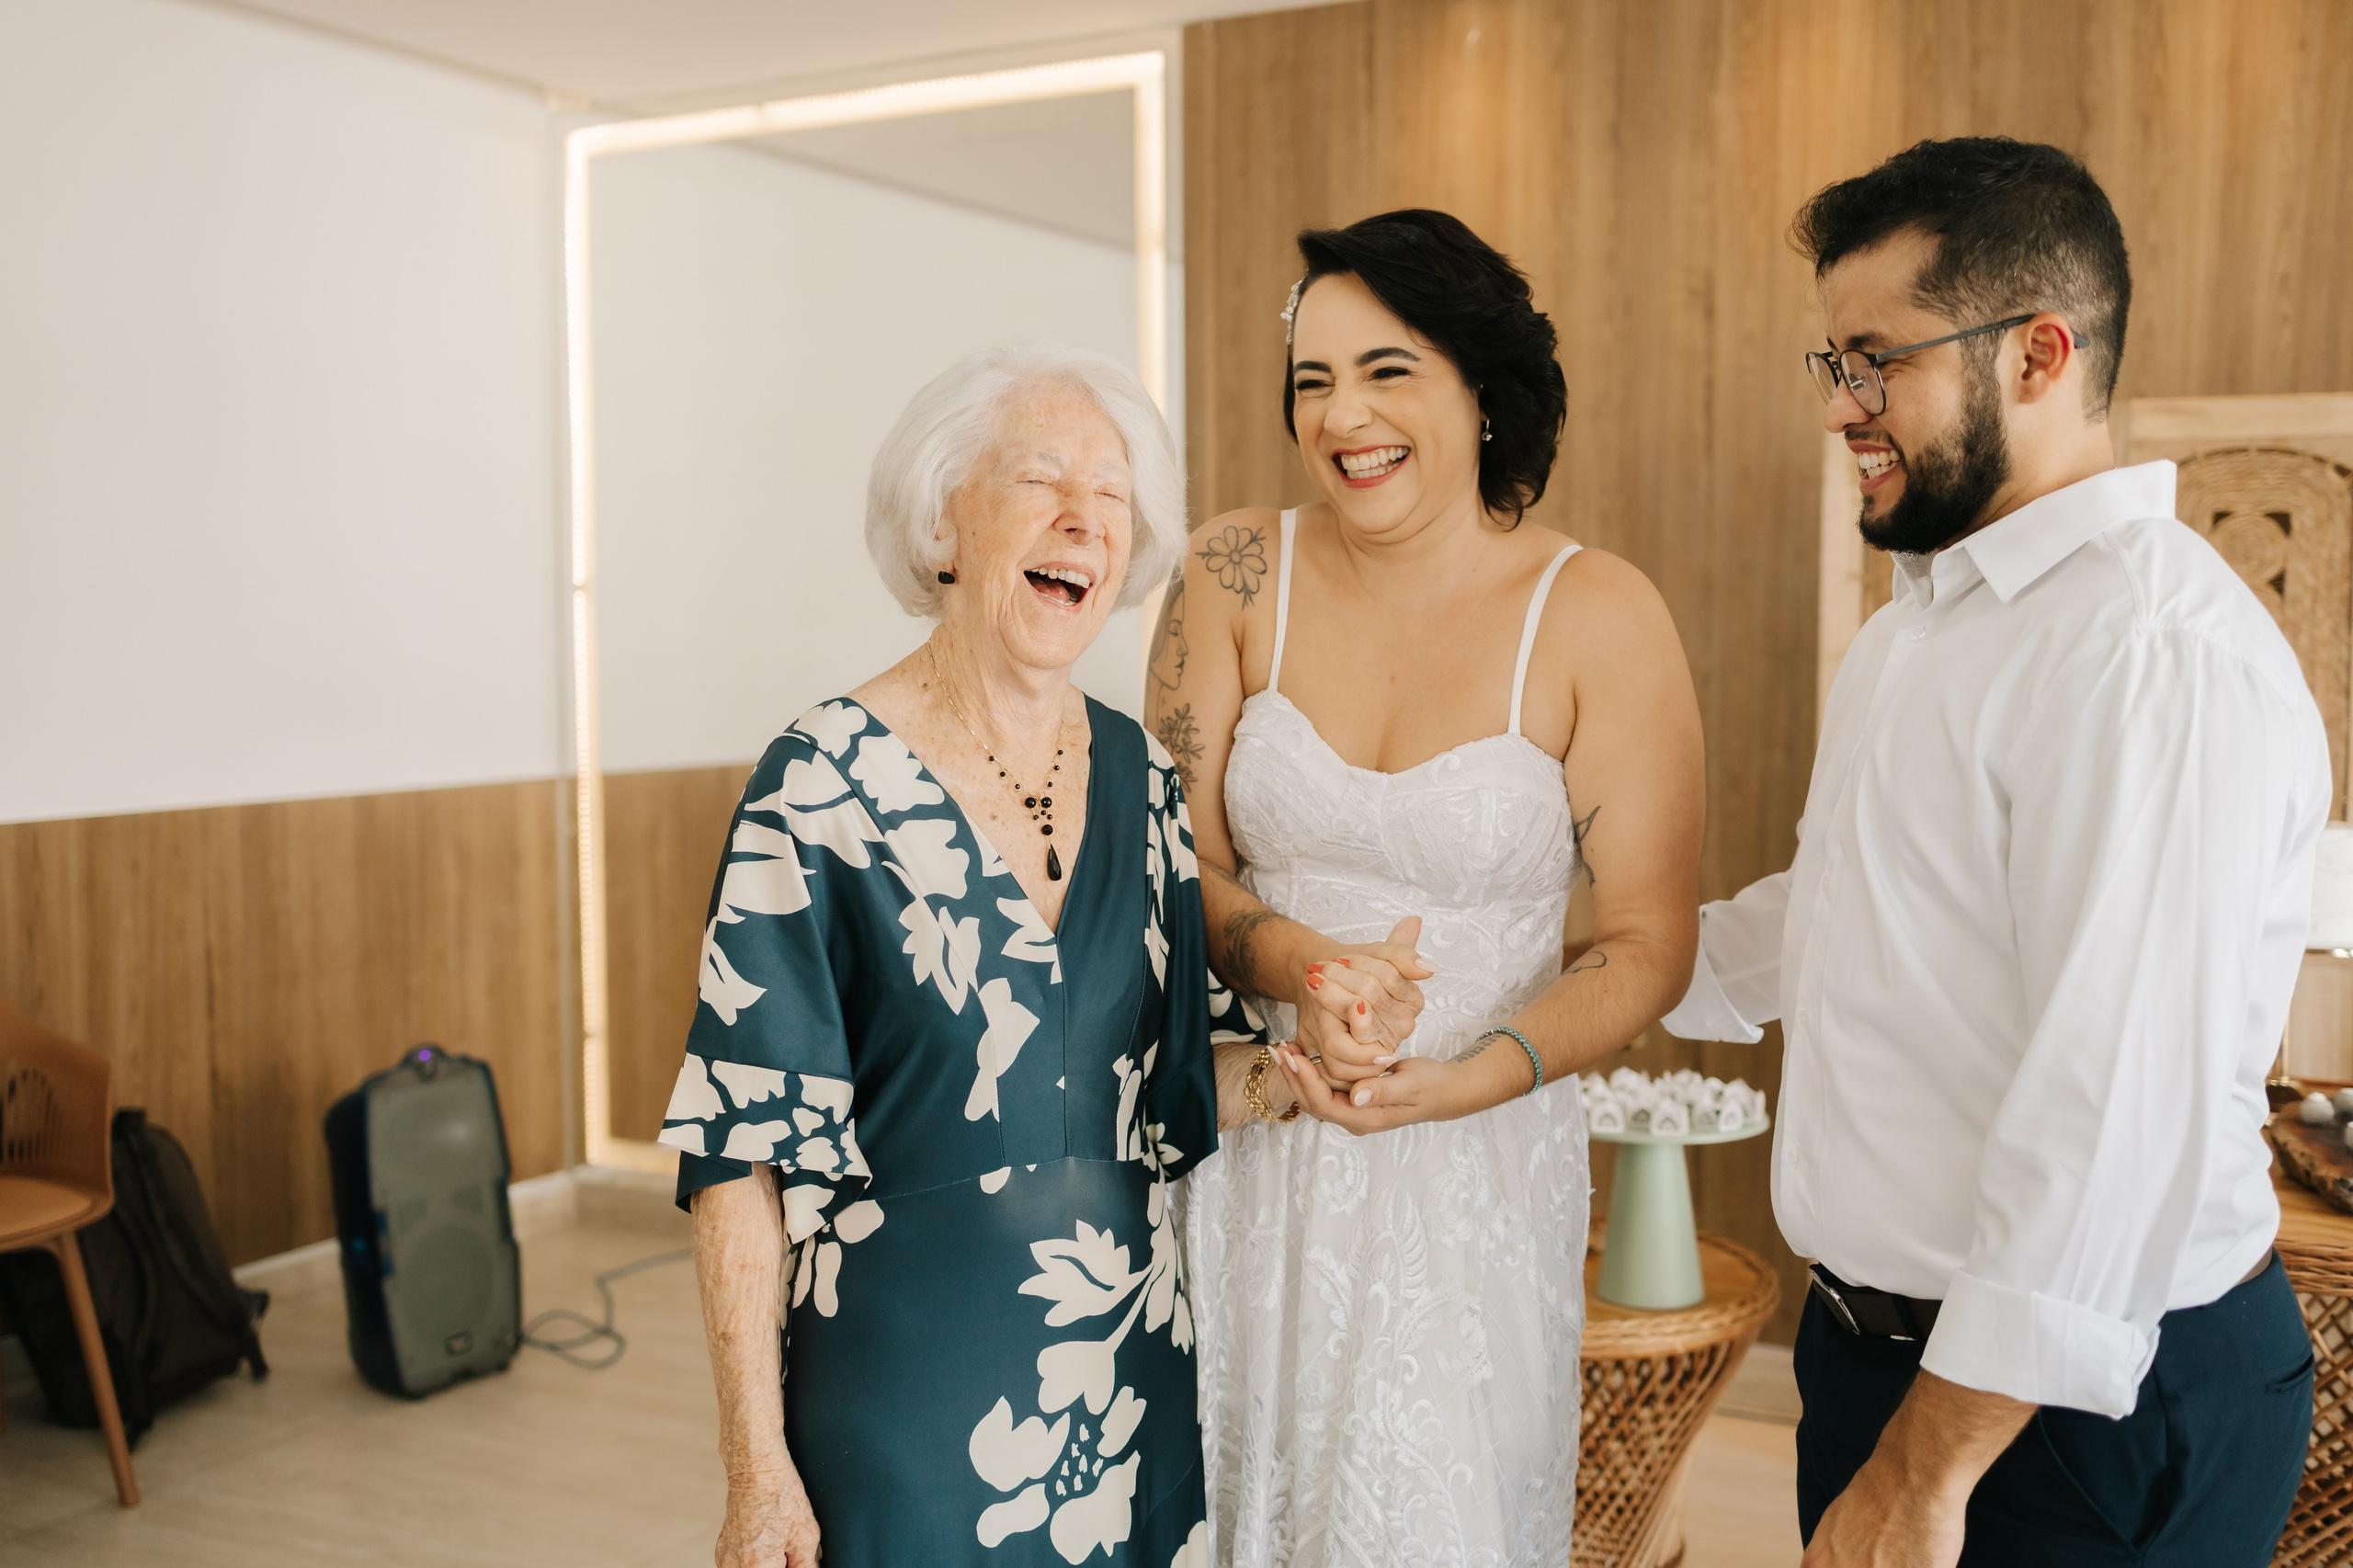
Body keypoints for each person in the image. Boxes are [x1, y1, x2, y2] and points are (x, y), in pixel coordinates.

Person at [1664, 138, 2324, 1567]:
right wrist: (1626, 955)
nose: (1843, 407)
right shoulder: (1923, 625)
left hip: (2070, 1409)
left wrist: (1923, 1470)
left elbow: (2113, 1114)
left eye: (1876, 358)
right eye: (1829, 362)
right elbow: (1861, 910)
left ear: (2039, 352)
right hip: (1886, 1359)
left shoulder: (2149, 654)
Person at [660, 344, 1295, 1568]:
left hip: (1125, 1388)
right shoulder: (820, 785)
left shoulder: (1142, 783)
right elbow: (739, 1153)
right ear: (944, 519)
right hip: (899, 1397)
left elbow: (1163, 1098)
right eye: (1043, 479)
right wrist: (755, 1467)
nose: (1085, 519)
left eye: (1113, 497)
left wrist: (1307, 1070)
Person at [1157, 210, 1706, 1565]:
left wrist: (1467, 1078)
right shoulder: (1231, 571)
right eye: (1312, 379)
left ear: (1480, 383)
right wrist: (1304, 968)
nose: (1344, 413)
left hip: (1475, 1163)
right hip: (1256, 1143)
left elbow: (1644, 943)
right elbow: (1178, 870)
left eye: (1387, 369)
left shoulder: (1599, 614)